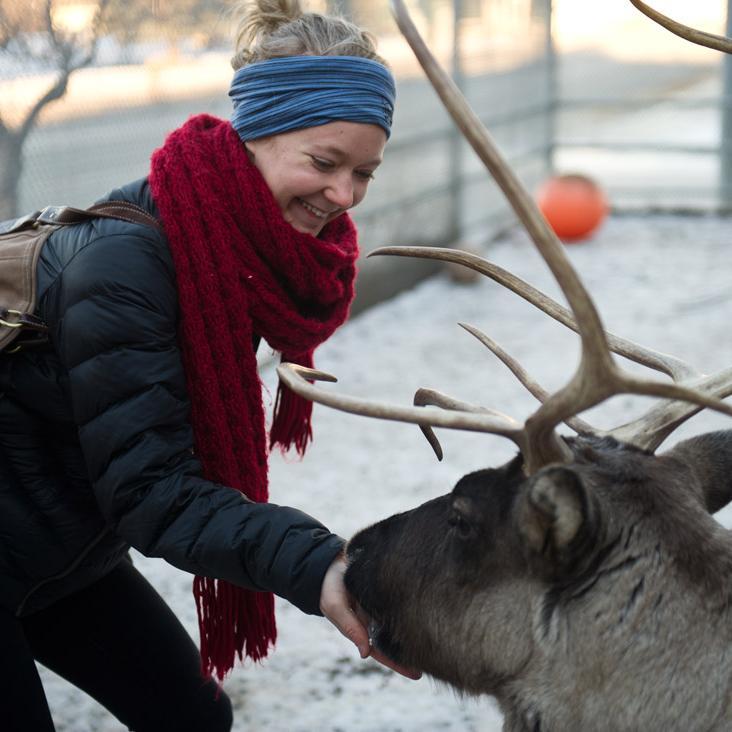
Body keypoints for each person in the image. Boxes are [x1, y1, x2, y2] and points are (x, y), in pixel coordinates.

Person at [0, 1, 414, 730]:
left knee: (192, 718)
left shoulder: (235, 250)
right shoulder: (127, 269)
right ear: (254, 133)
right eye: (324, 162)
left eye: (364, 174)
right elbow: (155, 491)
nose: (343, 197)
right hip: (34, 538)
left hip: (56, 547)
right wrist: (318, 564)